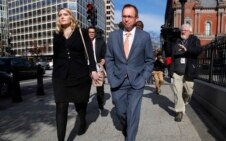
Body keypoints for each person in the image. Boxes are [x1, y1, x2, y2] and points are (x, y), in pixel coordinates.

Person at [105, 4, 154, 141]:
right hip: (117, 81)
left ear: (136, 18)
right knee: (121, 112)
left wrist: (144, 77)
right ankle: (127, 128)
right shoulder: (113, 36)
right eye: (124, 16)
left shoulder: (144, 37)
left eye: (129, 16)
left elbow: (150, 60)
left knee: (133, 113)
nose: (126, 19)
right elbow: (109, 58)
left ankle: (130, 137)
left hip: (136, 81)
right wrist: (110, 75)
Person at [52, 8, 99, 141]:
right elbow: (56, 55)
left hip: (80, 75)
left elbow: (89, 52)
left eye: (65, 14)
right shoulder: (56, 34)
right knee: (61, 107)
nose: (62, 17)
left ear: (71, 17)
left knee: (80, 105)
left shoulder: (81, 32)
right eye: (60, 15)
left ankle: (82, 120)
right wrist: (55, 71)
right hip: (60, 76)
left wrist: (93, 70)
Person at [169, 23, 202, 122]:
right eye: (182, 30)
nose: (183, 31)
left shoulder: (194, 40)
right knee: (177, 92)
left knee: (189, 92)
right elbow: (171, 56)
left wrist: (187, 50)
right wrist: (171, 70)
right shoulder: (176, 41)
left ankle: (183, 100)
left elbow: (198, 51)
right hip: (177, 71)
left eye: (185, 30)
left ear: (190, 31)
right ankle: (179, 111)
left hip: (189, 71)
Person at [88, 26, 106, 110]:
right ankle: (83, 106)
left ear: (95, 33)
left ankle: (100, 103)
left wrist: (104, 59)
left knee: (99, 88)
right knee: (85, 88)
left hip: (97, 67)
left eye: (92, 32)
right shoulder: (84, 42)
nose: (91, 33)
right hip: (86, 68)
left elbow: (105, 54)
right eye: (89, 32)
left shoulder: (101, 42)